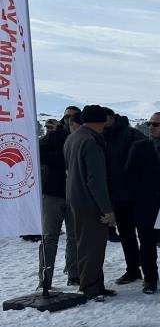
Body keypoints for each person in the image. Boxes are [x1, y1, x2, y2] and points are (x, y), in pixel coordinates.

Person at [124, 111, 160, 294]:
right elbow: (129, 175)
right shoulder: (139, 147)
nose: (151, 127)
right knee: (147, 244)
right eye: (149, 124)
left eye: (155, 124)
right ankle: (150, 280)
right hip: (145, 204)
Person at [63, 105, 116, 301]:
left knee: (85, 243)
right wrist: (107, 209)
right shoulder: (91, 141)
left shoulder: (73, 137)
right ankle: (91, 287)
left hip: (75, 198)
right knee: (93, 246)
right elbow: (96, 180)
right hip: (90, 202)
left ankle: (94, 284)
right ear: (101, 121)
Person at [37, 106, 80, 289]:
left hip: (74, 194)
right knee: (49, 238)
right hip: (53, 194)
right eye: (66, 116)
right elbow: (38, 153)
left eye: (73, 117)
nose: (69, 120)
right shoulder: (54, 136)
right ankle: (45, 279)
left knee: (74, 237)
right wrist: (62, 158)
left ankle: (74, 274)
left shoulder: (81, 136)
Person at [103, 109, 145, 284]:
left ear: (112, 118)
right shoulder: (101, 136)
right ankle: (133, 270)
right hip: (117, 195)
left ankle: (149, 272)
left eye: (104, 119)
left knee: (144, 235)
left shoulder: (132, 134)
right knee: (126, 236)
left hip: (137, 194)